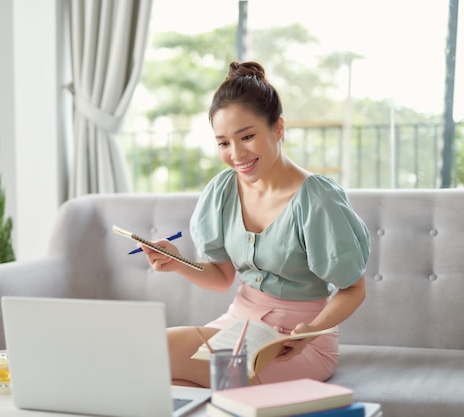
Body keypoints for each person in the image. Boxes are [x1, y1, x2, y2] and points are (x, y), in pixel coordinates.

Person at [139, 61, 370, 388]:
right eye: (223, 143)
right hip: (239, 326)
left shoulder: (317, 199)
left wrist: (312, 330)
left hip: (297, 342)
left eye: (247, 136)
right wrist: (176, 261)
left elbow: (354, 289)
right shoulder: (222, 190)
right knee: (166, 375)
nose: (236, 154)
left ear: (278, 128)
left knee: (185, 364)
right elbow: (222, 278)